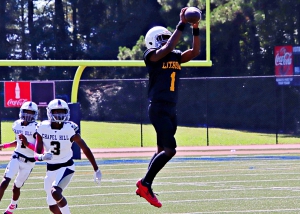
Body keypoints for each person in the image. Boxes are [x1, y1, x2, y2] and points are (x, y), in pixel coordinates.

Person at [135, 7, 201, 208]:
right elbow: (166, 48)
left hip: (171, 108)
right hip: (159, 107)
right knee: (170, 150)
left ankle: (145, 185)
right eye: (162, 38)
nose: (167, 40)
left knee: (160, 150)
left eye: (167, 37)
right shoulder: (152, 56)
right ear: (153, 41)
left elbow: (195, 52)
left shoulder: (175, 55)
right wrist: (182, 23)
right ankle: (144, 183)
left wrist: (196, 28)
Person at [34, 98, 102, 214]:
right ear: (50, 112)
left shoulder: (70, 128)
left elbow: (85, 148)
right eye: (56, 111)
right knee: (52, 206)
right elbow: (36, 152)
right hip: (50, 169)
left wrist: (96, 168)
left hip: (66, 166)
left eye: (62, 111)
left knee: (55, 192)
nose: (59, 114)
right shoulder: (42, 127)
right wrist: (42, 156)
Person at [0, 101, 39, 214]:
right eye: (26, 112)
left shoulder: (37, 128)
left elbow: (39, 150)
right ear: (21, 112)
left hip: (29, 162)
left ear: (35, 114)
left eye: (31, 113)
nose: (28, 115)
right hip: (16, 156)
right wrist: (5, 145)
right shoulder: (17, 124)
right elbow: (18, 142)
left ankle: (12, 205)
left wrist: (28, 144)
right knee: (4, 182)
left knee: (16, 187)